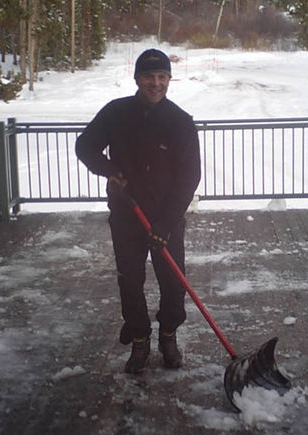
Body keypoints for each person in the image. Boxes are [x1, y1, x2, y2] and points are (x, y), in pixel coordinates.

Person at [75, 49, 201, 374]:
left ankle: (168, 335)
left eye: (162, 77)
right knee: (130, 282)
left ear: (169, 80)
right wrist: (109, 169)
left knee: (173, 283)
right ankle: (140, 340)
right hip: (126, 215)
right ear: (137, 79)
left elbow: (190, 177)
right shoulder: (117, 113)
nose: (155, 83)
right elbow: (85, 145)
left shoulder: (180, 122)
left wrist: (167, 222)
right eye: (148, 76)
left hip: (165, 219)